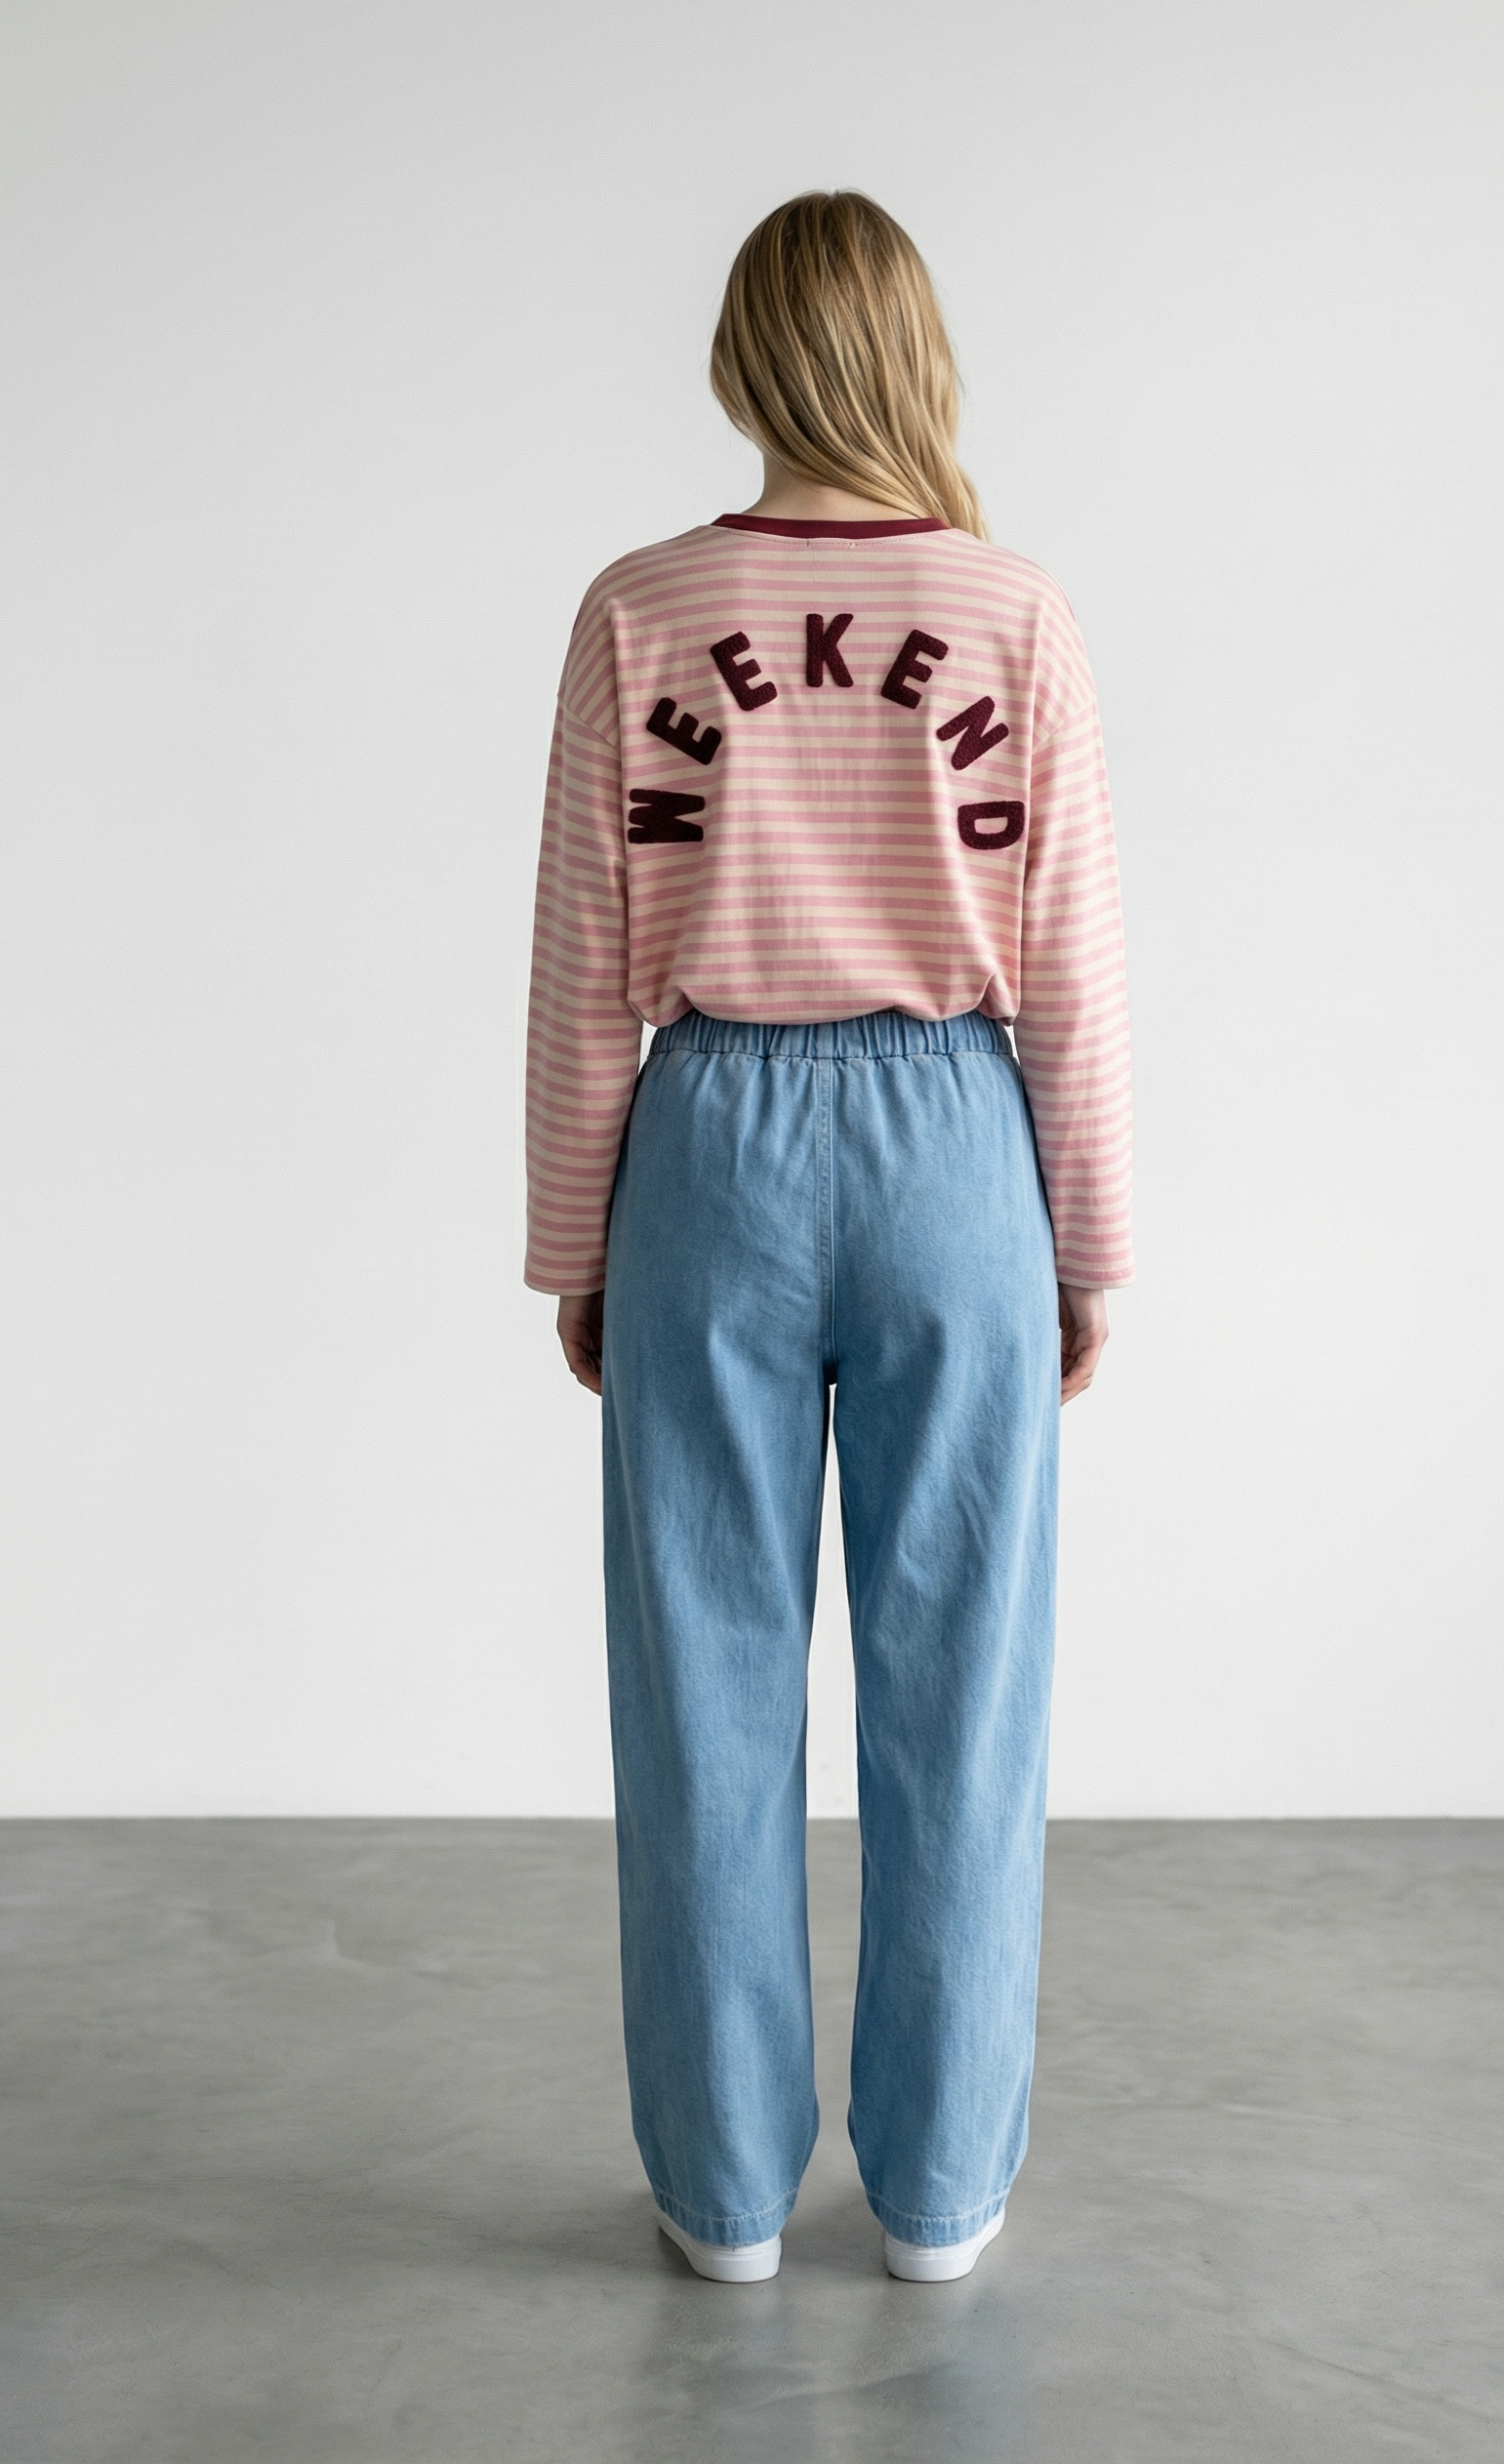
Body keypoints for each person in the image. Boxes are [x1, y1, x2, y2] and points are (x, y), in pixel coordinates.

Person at [524, 191, 1133, 2285]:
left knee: (700, 1676)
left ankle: (720, 2199)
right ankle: (942, 2193)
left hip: (708, 1144)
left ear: (742, 356)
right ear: (911, 351)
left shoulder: (639, 607)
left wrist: (579, 1239)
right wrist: (1084, 1239)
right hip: (958, 1141)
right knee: (966, 1676)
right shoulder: (1015, 610)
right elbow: (1072, 968)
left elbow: (584, 965)